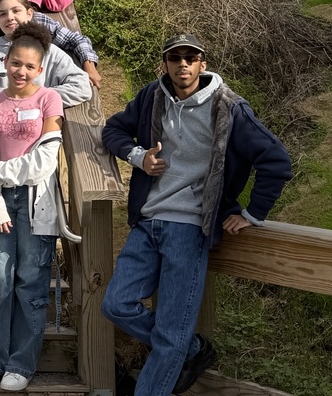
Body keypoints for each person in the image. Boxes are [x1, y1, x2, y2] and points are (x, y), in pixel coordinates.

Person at [101, 33, 292, 395]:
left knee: (170, 335)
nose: (183, 64)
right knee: (116, 305)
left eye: (191, 57)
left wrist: (253, 214)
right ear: (165, 64)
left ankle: (177, 347)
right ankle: (189, 348)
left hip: (189, 229)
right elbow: (113, 130)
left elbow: (276, 161)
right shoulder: (152, 96)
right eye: (175, 58)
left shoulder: (229, 108)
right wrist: (139, 157)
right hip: (147, 221)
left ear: (203, 63)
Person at [0, 23, 65, 391]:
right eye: (15, 64)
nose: (21, 71)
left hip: (35, 203)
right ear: (5, 62)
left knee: (30, 281)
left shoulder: (49, 100)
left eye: (29, 66)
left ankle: (21, 364)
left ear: (39, 69)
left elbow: (43, 163)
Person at [0, 0, 91, 114]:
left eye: (16, 11)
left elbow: (81, 86)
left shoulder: (48, 51)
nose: (10, 17)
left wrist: (36, 97)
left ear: (29, 14)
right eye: (2, 14)